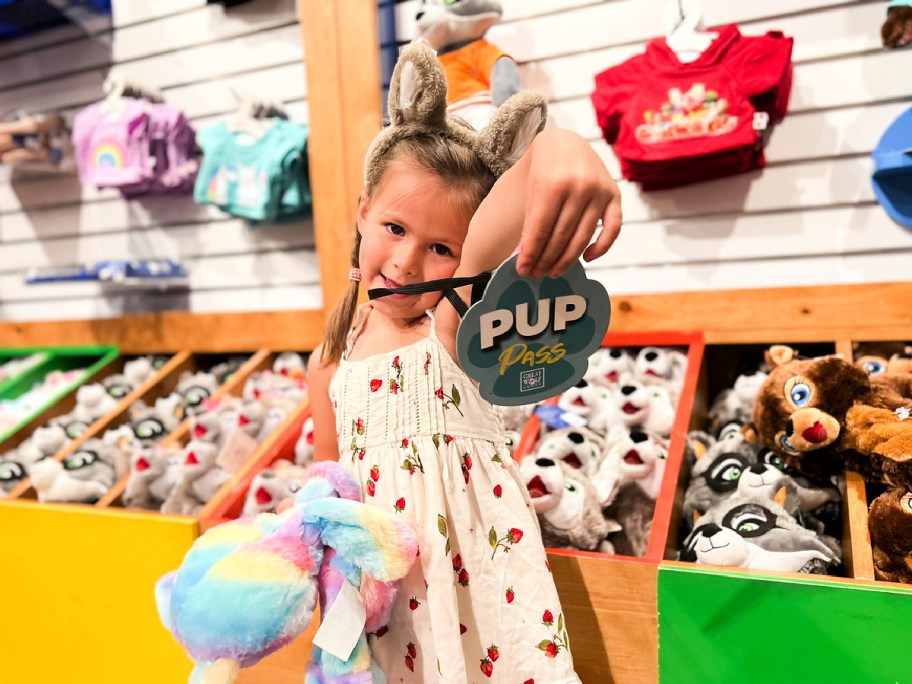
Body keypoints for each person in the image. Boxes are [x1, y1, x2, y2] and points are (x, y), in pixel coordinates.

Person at [290, 40, 621, 682]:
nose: (410, 262)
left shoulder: (451, 329)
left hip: (485, 596)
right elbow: (328, 491)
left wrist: (562, 147)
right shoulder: (331, 359)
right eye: (394, 228)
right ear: (363, 212)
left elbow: (523, 189)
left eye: (441, 246)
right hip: (383, 604)